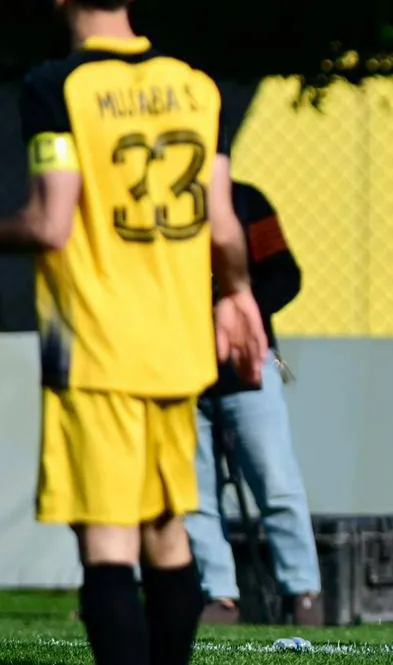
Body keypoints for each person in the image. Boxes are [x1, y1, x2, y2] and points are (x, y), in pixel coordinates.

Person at [2, 1, 267, 664]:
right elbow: (225, 224)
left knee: (108, 546)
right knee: (166, 534)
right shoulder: (195, 87)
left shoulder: (57, 87)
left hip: (92, 345)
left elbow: (50, 222)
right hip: (175, 345)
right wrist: (236, 293)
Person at [186, 181, 323, 626]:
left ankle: (303, 593)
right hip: (180, 369)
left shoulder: (246, 202)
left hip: (248, 367)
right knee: (194, 494)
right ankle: (219, 597)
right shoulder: (157, 204)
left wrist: (233, 310)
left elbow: (286, 275)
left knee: (276, 484)